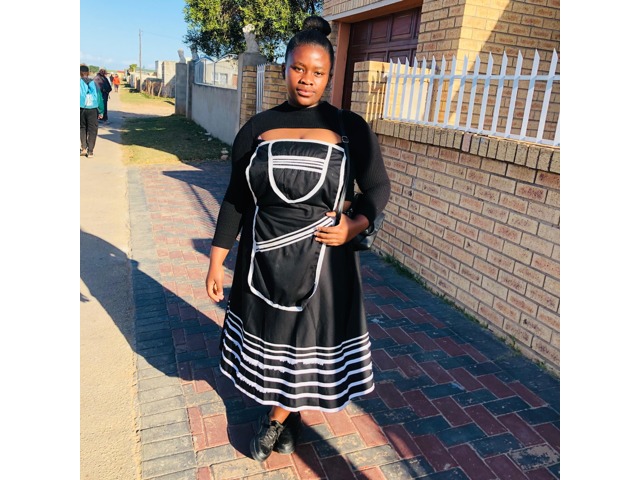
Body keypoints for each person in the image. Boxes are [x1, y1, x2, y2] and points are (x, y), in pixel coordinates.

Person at [205, 16, 390, 463]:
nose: (307, 79)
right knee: (274, 339)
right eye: (298, 69)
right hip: (262, 258)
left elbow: (378, 188)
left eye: (318, 72)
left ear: (329, 75)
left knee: (301, 342)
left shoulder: (349, 127)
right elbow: (236, 199)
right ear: (285, 68)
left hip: (323, 261)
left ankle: (275, 421)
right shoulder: (257, 127)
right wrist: (215, 260)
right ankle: (290, 418)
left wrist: (354, 226)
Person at [80, 64, 104, 157]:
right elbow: (99, 97)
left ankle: (83, 148)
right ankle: (90, 151)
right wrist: (101, 111)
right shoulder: (94, 83)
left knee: (82, 127)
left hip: (81, 108)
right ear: (88, 73)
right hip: (93, 109)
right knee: (92, 129)